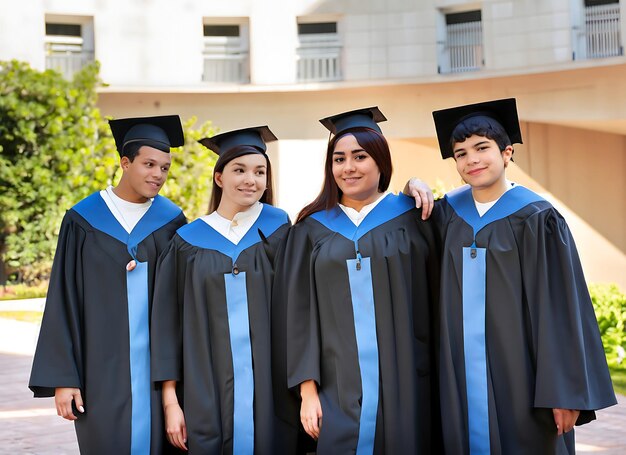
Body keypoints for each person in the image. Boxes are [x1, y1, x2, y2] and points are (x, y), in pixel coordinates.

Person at [414, 98, 617, 454]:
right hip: (459, 375)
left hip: (523, 376)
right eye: (460, 153)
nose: (472, 159)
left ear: (507, 152)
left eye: (481, 148)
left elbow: (560, 307)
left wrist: (564, 391)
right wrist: (412, 183)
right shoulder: (448, 213)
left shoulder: (537, 217)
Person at [278, 107, 441, 454]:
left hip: (409, 382)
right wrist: (308, 391)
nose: (348, 167)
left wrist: (415, 184)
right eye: (338, 159)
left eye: (359, 156)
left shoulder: (414, 218)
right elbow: (297, 314)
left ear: (380, 160)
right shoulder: (310, 229)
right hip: (336, 388)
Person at [29, 115, 188, 454]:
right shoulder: (83, 219)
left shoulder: (172, 221)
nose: (157, 175)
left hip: (159, 371)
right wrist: (65, 378)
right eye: (148, 164)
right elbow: (63, 298)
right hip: (99, 370)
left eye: (164, 168)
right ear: (125, 163)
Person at [150, 126, 291, 454]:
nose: (250, 180)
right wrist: (171, 402)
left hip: (272, 392)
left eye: (259, 172)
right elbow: (168, 325)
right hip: (206, 393)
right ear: (219, 178)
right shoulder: (188, 241)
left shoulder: (282, 230)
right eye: (239, 170)